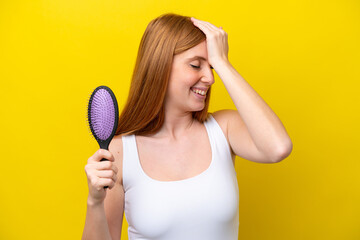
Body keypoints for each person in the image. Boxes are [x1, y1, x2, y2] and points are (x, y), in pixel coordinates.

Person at [82, 13, 293, 240]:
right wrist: (94, 201)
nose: (210, 79)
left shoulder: (223, 129)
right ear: (159, 66)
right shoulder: (120, 151)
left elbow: (278, 147)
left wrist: (223, 63)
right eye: (195, 65)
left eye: (211, 67)